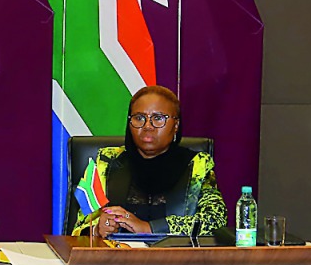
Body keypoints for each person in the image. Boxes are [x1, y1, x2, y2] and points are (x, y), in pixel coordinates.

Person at [69, 85, 226, 237]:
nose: (148, 126)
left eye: (158, 118)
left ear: (176, 125)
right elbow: (79, 227)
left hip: (175, 260)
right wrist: (97, 229)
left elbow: (215, 221)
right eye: (139, 118)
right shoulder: (107, 160)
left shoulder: (197, 165)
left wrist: (149, 228)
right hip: (117, 259)